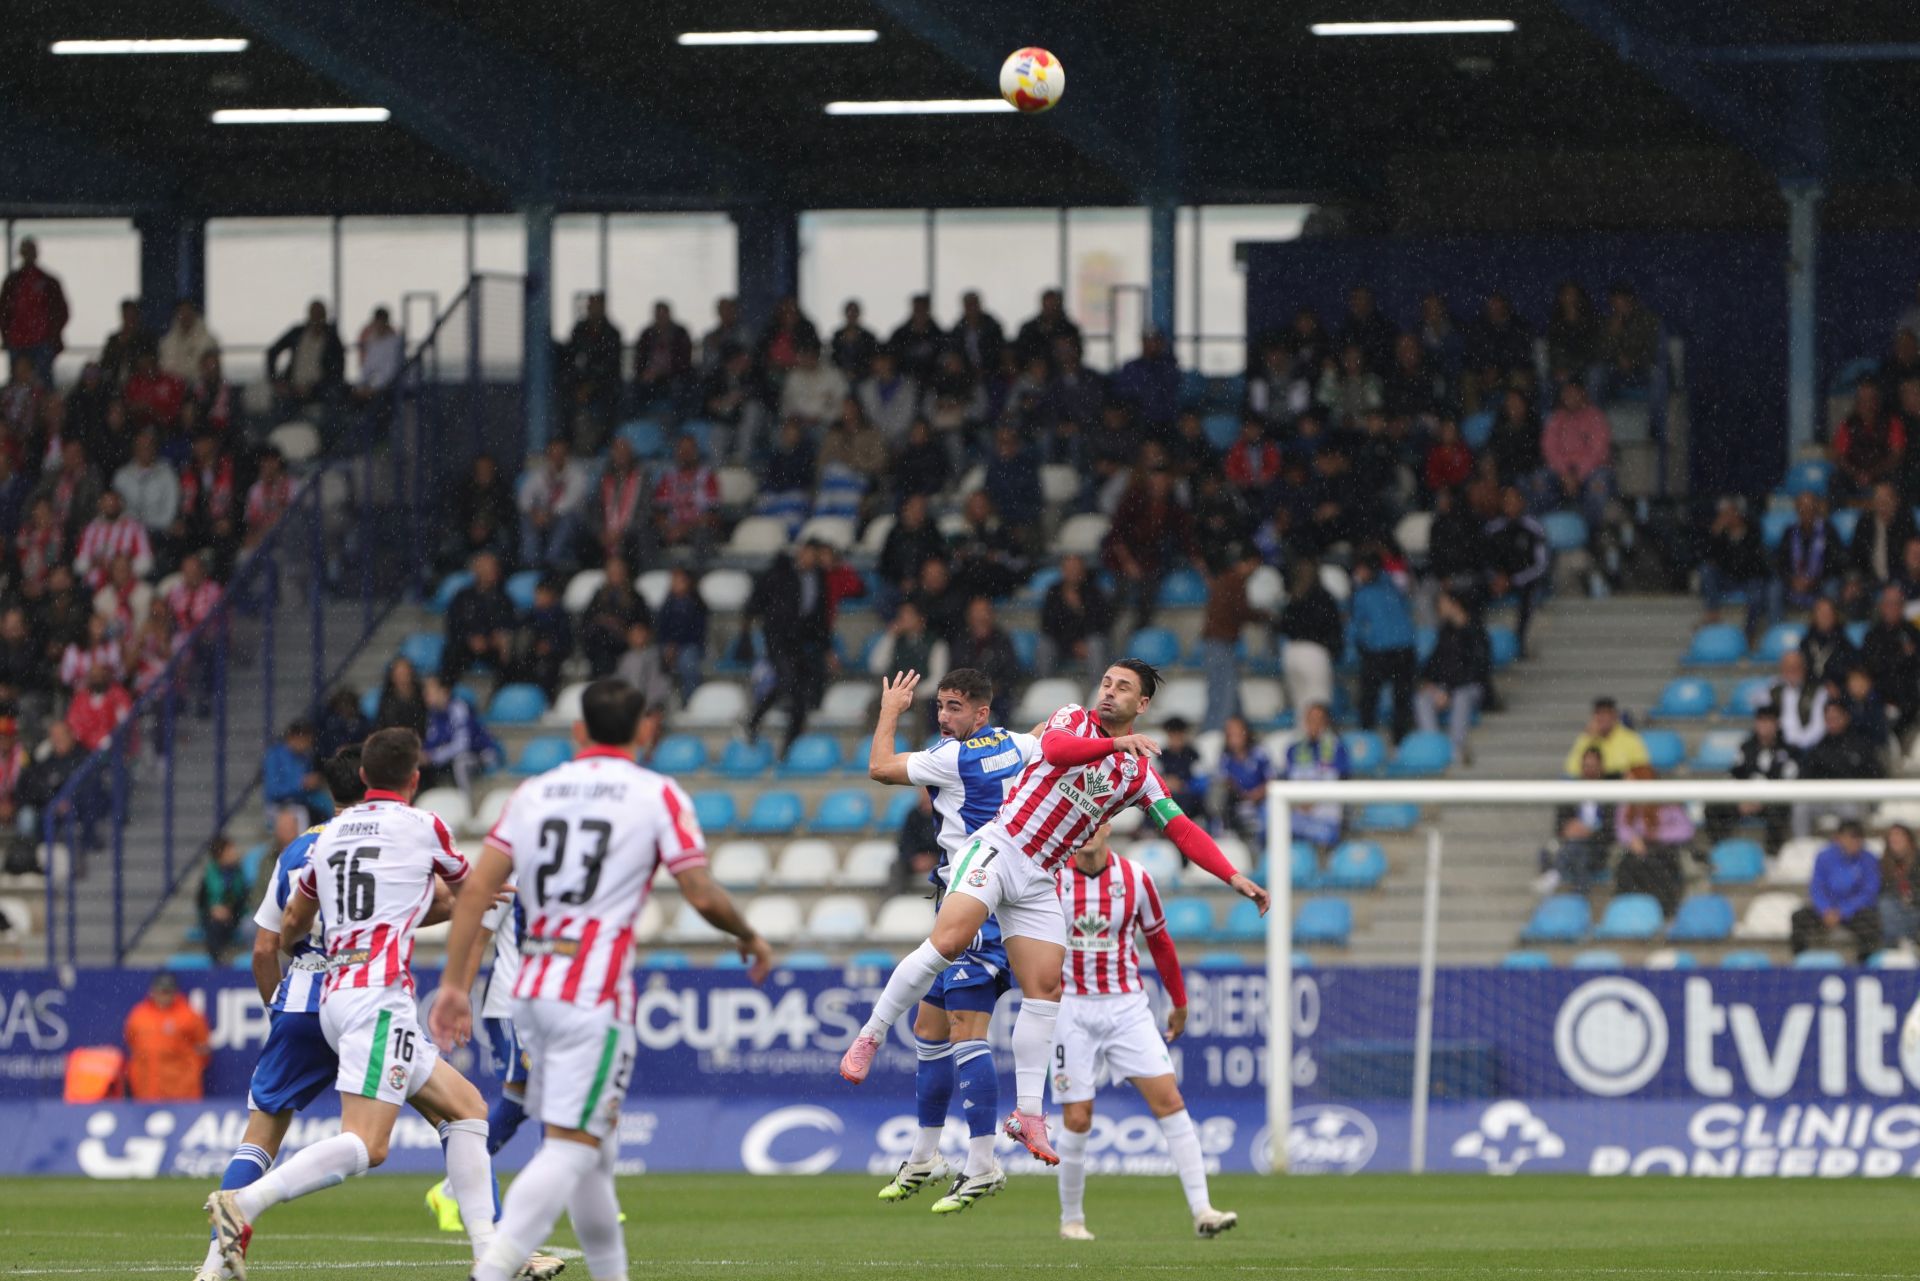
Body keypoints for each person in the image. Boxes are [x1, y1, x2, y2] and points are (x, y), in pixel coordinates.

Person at [839, 660, 1270, 1180]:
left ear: (1143, 705)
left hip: (1041, 876)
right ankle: (872, 1033)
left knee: (1045, 989)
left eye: (1122, 688)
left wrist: (1232, 875)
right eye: (1106, 682)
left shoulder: (1137, 774)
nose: (1108, 693)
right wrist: (1115, 745)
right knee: (948, 942)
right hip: (1000, 848)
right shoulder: (1072, 720)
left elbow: (1180, 828)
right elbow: (1057, 752)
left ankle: (1027, 1115)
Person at [429, 680, 771, 1281]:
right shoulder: (656, 794)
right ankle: (492, 1270)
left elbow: (478, 888)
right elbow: (698, 889)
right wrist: (746, 934)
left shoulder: (534, 793)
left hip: (530, 990)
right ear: (645, 730)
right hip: (593, 996)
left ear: (578, 731)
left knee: (597, 1153)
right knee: (571, 1150)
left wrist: (455, 983)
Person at [206, 730, 525, 1279]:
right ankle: (245, 1203)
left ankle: (492, 1257)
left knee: (468, 1110)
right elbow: (468, 893)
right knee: (368, 1144)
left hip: (331, 993)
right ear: (415, 778)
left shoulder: (325, 840)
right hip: (379, 998)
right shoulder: (423, 826)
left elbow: (289, 928)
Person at [863, 668, 1039, 1211]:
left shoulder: (953, 757)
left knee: (966, 1028)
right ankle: (925, 1155)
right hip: (968, 900)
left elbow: (878, 768)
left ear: (981, 713)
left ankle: (983, 1163)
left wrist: (891, 708)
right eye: (940, 706)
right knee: (929, 1026)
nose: (943, 716)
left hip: (981, 901)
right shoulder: (1020, 744)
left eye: (955, 707)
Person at [1053, 822, 1237, 1241]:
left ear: (1108, 826)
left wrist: (1179, 1001)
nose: (1087, 830)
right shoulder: (1053, 876)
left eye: (1094, 821)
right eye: (1078, 821)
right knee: (1078, 1118)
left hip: (1125, 1007)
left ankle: (1203, 1210)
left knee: (1169, 1099)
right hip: (1071, 1010)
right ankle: (1072, 1220)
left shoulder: (1135, 877)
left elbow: (1160, 940)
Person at [1706, 705, 1798, 851]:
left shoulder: (1788, 751)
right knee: (1713, 806)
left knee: (1778, 812)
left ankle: (1772, 855)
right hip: (1744, 800)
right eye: (1761, 721)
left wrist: (1762, 800)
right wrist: (1743, 799)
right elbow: (1735, 775)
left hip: (1772, 802)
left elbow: (1789, 782)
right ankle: (1719, 851)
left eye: (1769, 721)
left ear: (1777, 724)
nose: (1764, 726)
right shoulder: (1746, 747)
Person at [1415, 591, 1492, 762]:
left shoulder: (1476, 631)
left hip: (1472, 687)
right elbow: (1434, 663)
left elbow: (1476, 671)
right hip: (1447, 687)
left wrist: (1448, 691)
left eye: (1443, 603)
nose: (1439, 608)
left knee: (1461, 696)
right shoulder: (1445, 631)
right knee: (1422, 699)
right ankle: (1434, 746)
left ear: (1455, 605)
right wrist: (1428, 682)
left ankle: (1456, 747)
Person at [1790, 821, 1882, 964]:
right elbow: (1816, 887)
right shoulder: (1824, 857)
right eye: (1850, 837)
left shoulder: (1869, 859)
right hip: (1826, 910)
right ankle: (1800, 961)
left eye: (1857, 838)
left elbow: (1869, 892)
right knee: (1798, 917)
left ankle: (1863, 965)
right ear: (1838, 838)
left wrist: (1843, 911)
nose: (1854, 842)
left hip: (1854, 912)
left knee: (1871, 923)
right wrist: (1825, 909)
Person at [1351, 556, 1417, 743]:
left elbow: (1356, 628)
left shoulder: (1362, 594)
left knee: (1369, 700)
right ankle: (1400, 741)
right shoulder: (1395, 588)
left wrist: (1361, 643)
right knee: (1401, 699)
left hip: (1379, 651)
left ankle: (1366, 741)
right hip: (1405, 648)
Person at [1200, 546, 1266, 732]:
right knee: (1223, 694)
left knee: (1227, 692)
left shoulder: (1226, 578)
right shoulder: (1235, 581)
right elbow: (1241, 610)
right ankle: (1217, 734)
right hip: (1220, 642)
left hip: (1218, 642)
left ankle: (1241, 732)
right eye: (1255, 565)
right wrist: (1264, 616)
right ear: (1249, 562)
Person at [1613, 764, 1692, 917]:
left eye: (1631, 781)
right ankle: (1629, 912)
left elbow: (1686, 829)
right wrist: (1633, 839)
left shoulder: (1666, 804)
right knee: (1627, 866)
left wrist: (1656, 835)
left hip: (1664, 852)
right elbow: (1621, 828)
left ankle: (1663, 912)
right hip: (1637, 853)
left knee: (1655, 865)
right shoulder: (1626, 806)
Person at [1484, 486, 1549, 656]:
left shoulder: (1534, 528)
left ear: (1522, 502)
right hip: (1497, 582)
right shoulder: (1492, 529)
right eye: (1507, 501)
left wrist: (1513, 580)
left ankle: (1521, 644)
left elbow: (1541, 565)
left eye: (1514, 500)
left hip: (1524, 582)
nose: (1511, 505)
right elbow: (1484, 560)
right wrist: (1496, 578)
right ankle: (1481, 648)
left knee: (1529, 597)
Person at [1538, 748, 1613, 895]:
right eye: (1586, 766)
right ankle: (1580, 897)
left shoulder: (1610, 794)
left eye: (1593, 766)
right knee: (1576, 851)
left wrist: (1590, 831)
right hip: (1572, 843)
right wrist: (1569, 829)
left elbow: (1611, 829)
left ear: (1601, 767)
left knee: (1579, 850)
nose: (1589, 770)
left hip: (1598, 845)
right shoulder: (1571, 793)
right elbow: (1560, 825)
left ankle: (1554, 875)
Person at [125, 972, 209, 1101]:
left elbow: (204, 1050)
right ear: (152, 991)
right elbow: (131, 1042)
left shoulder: (190, 1016)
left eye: (168, 991)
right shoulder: (138, 1015)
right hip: (146, 1092)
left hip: (182, 1094)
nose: (164, 996)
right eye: (160, 991)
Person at [0, 238, 69, 385]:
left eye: (30, 251)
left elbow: (61, 311)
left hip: (42, 342)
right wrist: (8, 336)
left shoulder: (47, 281)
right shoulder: (13, 281)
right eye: (25, 251)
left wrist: (52, 336)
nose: (28, 255)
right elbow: (3, 311)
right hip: (18, 342)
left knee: (43, 386)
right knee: (18, 387)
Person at [422, 675, 502, 800]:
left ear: (444, 692)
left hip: (480, 754)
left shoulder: (458, 709)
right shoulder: (433, 714)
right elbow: (432, 741)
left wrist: (433, 756)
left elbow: (462, 744)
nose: (426, 695)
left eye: (430, 691)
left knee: (461, 763)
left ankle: (466, 805)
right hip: (452, 757)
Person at [1282, 702, 1349, 851]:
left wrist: (1314, 800)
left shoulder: (1337, 748)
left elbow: (1341, 781)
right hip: (1298, 813)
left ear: (1326, 722)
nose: (1314, 724)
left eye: (1319, 720)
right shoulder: (1293, 749)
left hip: (1326, 815)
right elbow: (1285, 783)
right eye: (1310, 719)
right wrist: (1301, 801)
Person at [444, 553, 515, 686]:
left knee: (509, 654)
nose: (491, 572)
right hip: (466, 645)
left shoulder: (504, 598)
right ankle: (446, 693)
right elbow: (453, 624)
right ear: (476, 571)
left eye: (493, 568)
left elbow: (508, 624)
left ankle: (501, 695)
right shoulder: (462, 596)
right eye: (486, 568)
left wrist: (494, 639)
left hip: (491, 647)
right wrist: (469, 638)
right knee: (450, 653)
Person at [516, 438, 588, 570]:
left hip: (571, 522)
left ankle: (553, 559)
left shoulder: (577, 474)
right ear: (548, 455)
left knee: (567, 518)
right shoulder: (540, 473)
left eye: (560, 453)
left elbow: (570, 502)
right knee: (526, 518)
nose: (556, 457)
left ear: (567, 454)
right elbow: (524, 498)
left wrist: (548, 515)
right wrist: (534, 513)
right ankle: (530, 561)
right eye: (553, 453)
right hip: (544, 519)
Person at [264, 300, 346, 415]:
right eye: (314, 314)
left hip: (320, 389)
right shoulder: (297, 333)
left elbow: (337, 372)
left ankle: (327, 432)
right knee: (279, 406)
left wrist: (314, 387)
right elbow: (272, 352)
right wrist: (275, 380)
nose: (317, 319)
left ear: (325, 316)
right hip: (293, 387)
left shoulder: (332, 340)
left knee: (334, 401)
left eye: (320, 315)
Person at [1700, 498, 1768, 634]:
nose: (1727, 517)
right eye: (1724, 514)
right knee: (1706, 571)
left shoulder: (1753, 531)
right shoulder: (1721, 536)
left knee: (1756, 593)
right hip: (1728, 578)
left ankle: (1750, 632)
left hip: (1748, 578)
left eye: (1730, 513)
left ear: (1739, 513)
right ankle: (1712, 612)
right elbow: (1708, 558)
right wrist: (1715, 535)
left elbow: (1753, 561)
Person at [1770, 493, 1839, 622]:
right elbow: (1780, 563)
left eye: (1810, 508)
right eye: (1803, 508)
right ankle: (1776, 629)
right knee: (1775, 588)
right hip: (1794, 583)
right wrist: (1792, 580)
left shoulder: (1828, 531)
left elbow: (1836, 563)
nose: (1806, 512)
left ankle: (1829, 628)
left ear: (1816, 509)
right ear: (1797, 510)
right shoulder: (1789, 532)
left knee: (1832, 587)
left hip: (1820, 582)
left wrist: (1814, 580)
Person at [1209, 715, 1273, 844]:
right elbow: (1223, 781)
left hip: (1261, 803)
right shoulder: (1225, 757)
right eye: (1230, 733)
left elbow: (1272, 780)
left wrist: (1255, 795)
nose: (1234, 736)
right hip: (1235, 804)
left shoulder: (1260, 753)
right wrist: (1239, 794)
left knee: (1268, 816)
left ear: (1246, 732)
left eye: (1237, 732)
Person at [263, 719, 330, 825]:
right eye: (306, 740)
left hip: (301, 803)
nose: (308, 745)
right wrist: (301, 785)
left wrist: (314, 783)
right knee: (301, 815)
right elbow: (272, 791)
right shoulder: (275, 756)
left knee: (325, 805)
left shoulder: (304, 757)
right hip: (279, 806)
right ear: (294, 737)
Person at [1563, 696, 1649, 777]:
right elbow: (1571, 769)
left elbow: (1641, 770)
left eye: (1606, 714)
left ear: (1614, 716)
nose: (1602, 718)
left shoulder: (1631, 738)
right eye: (1599, 714)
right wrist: (1589, 739)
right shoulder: (1586, 738)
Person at [198, 837, 251, 964]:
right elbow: (201, 900)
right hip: (213, 916)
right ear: (220, 854)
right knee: (215, 924)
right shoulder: (209, 874)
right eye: (230, 850)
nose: (234, 853)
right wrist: (213, 909)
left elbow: (243, 897)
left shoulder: (238, 873)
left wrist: (229, 909)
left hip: (235, 914)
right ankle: (218, 960)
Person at [1879, 824, 1920, 947]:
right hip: (1895, 909)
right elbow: (1881, 890)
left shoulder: (1918, 860)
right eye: (1892, 836)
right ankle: (1898, 945)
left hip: (1916, 907)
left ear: (1909, 839)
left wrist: (1912, 897)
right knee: (1886, 905)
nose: (1895, 839)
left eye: (1899, 835)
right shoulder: (1884, 863)